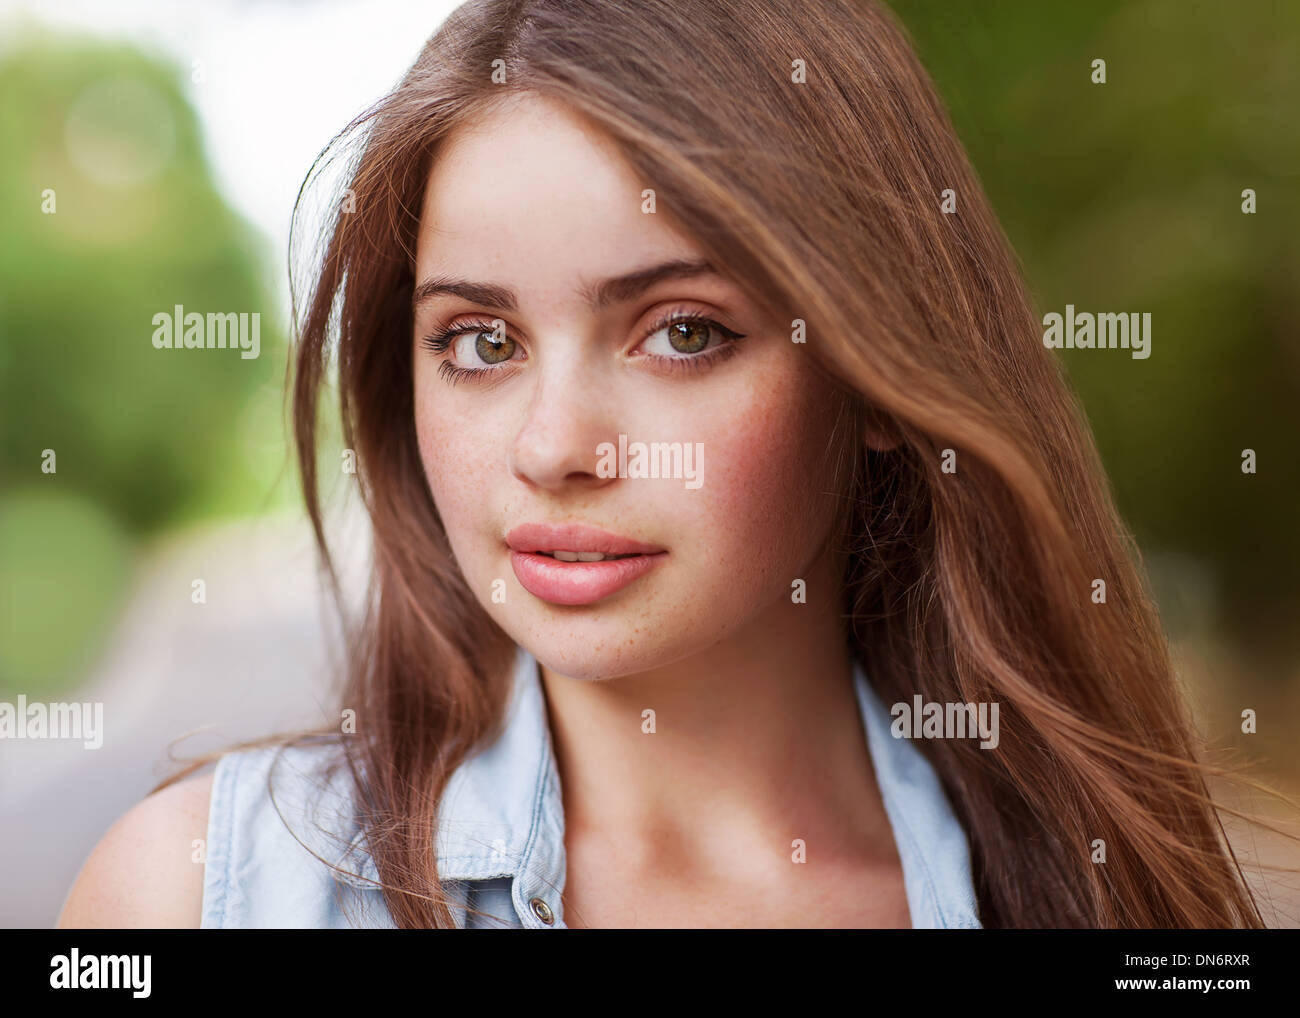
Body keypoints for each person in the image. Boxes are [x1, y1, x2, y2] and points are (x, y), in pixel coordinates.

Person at [58, 0, 1280, 929]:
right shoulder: (195, 897)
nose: (552, 450)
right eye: (479, 343)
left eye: (682, 332)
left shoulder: (1104, 895)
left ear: (872, 371)